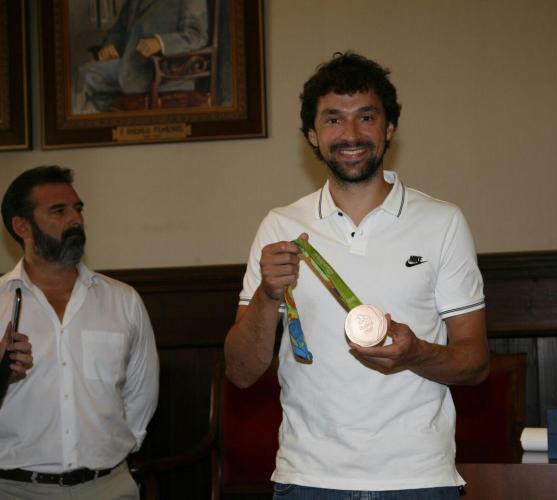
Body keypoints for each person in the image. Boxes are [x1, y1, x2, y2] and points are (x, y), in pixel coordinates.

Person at [224, 52, 489, 499]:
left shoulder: (442, 222)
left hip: (419, 480)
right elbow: (241, 372)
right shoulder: (279, 227)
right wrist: (269, 295)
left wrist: (416, 353)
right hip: (308, 480)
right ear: (312, 134)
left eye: (366, 117)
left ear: (389, 128)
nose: (350, 134)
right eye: (333, 120)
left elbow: (476, 362)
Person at [0, 166, 159, 499]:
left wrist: (109, 457)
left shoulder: (122, 301)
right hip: (14, 489)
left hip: (108, 487)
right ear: (21, 226)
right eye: (59, 211)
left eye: (78, 209)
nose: (75, 219)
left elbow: (141, 394)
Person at [73, 0, 209, 113]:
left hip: (163, 74)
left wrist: (160, 43)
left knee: (82, 75)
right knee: (84, 80)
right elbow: (119, 29)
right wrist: (110, 46)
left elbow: (196, 36)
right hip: (131, 66)